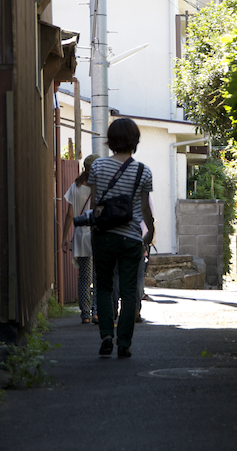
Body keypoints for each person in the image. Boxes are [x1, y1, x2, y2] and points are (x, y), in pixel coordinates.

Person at [87, 118, 154, 358]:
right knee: (128, 292)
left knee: (104, 287)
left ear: (110, 140)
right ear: (135, 141)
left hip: (104, 236)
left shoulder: (98, 167)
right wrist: (151, 230)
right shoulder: (143, 171)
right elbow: (145, 209)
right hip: (131, 238)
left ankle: (107, 334)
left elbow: (95, 205)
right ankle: (124, 342)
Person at [62, 154, 100, 324]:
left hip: (79, 235)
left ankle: (85, 314)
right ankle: (96, 312)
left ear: (85, 168)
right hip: (97, 235)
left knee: (84, 277)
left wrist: (64, 237)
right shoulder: (99, 188)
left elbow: (70, 214)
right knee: (99, 276)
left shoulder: (75, 187)